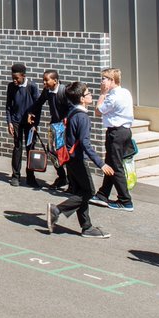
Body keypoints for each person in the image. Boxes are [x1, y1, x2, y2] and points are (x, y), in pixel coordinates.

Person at [46, 81, 112, 238]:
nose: (91, 95)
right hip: (77, 160)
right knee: (89, 192)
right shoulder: (82, 117)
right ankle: (57, 210)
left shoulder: (71, 112)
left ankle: (86, 227)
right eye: (88, 93)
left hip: (69, 159)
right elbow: (85, 143)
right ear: (82, 99)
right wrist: (101, 163)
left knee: (80, 192)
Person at [93, 68, 134, 210]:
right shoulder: (125, 92)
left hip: (116, 133)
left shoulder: (112, 97)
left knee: (115, 166)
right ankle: (102, 194)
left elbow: (98, 111)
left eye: (104, 79)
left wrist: (102, 94)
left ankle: (125, 200)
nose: (101, 82)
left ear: (111, 80)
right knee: (110, 163)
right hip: (125, 131)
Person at [4, 62, 41, 187]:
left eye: (17, 78)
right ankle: (16, 176)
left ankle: (30, 176)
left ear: (23, 76)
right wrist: (9, 122)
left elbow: (38, 106)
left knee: (30, 148)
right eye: (12, 78)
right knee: (17, 147)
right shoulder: (11, 87)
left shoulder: (32, 86)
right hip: (16, 121)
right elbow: (8, 105)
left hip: (30, 123)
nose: (14, 80)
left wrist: (35, 123)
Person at [40, 69, 72, 191]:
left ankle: (72, 181)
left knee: (65, 153)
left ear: (55, 80)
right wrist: (31, 113)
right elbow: (39, 102)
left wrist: (66, 120)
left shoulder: (64, 91)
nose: (44, 83)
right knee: (51, 151)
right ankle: (62, 177)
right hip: (53, 125)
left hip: (64, 127)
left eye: (46, 80)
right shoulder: (47, 91)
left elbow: (71, 108)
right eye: (43, 80)